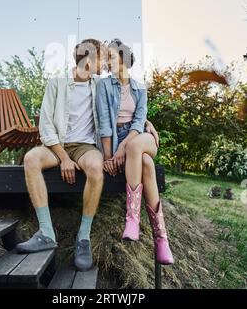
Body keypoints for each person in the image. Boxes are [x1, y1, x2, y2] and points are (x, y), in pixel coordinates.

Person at [16, 39, 106, 272]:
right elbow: (46, 125)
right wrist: (63, 157)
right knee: (31, 159)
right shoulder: (56, 83)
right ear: (90, 59)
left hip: (86, 147)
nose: (105, 63)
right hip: (58, 146)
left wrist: (145, 123)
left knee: (96, 169)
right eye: (102, 57)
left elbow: (125, 104)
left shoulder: (102, 85)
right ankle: (46, 232)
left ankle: (83, 238)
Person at [96, 38, 174, 265]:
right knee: (147, 165)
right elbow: (104, 123)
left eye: (111, 57)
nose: (107, 62)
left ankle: (132, 219)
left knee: (135, 145)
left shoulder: (140, 88)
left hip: (139, 137)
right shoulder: (104, 85)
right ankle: (162, 241)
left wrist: (123, 146)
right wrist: (109, 156)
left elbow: (139, 121)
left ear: (123, 58)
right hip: (121, 139)